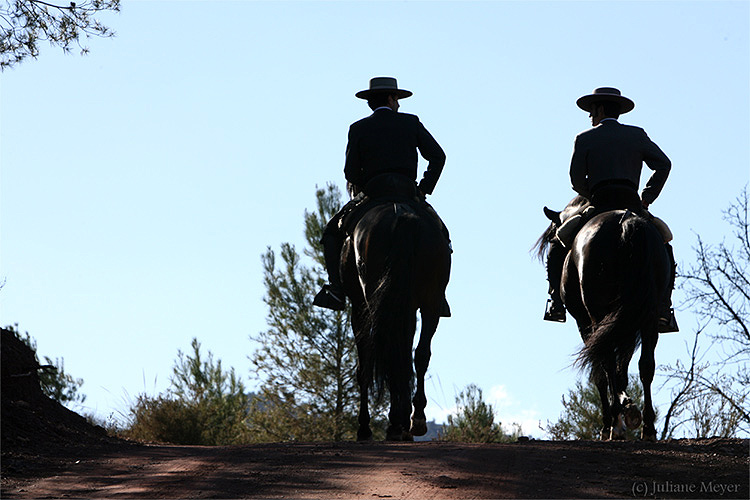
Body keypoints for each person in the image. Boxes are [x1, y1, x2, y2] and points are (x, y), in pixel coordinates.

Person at [544, 87, 678, 332]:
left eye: (591, 111)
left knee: (558, 241)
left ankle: (556, 302)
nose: (589, 116)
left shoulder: (584, 138)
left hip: (599, 202)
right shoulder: (637, 135)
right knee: (664, 242)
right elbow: (663, 164)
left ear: (601, 109)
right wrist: (647, 197)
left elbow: (575, 180)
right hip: (631, 203)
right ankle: (663, 307)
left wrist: (590, 193)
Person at [313, 77, 447, 311]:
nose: (398, 104)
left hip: (374, 193)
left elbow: (350, 171)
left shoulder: (358, 128)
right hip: (407, 192)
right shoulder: (411, 122)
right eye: (397, 99)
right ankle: (438, 293)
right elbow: (438, 156)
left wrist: (365, 184)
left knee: (331, 233)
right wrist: (424, 189)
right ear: (390, 98)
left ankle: (336, 290)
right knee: (441, 234)